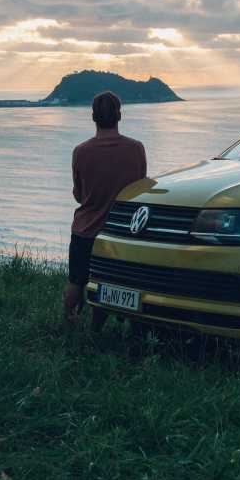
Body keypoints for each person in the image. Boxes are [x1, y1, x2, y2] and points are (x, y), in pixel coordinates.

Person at [64, 90, 147, 325]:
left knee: (76, 281)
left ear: (93, 117)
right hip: (120, 232)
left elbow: (79, 196)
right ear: (119, 116)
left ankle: (69, 325)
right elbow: (139, 191)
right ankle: (97, 330)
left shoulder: (81, 152)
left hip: (85, 231)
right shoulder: (136, 149)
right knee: (110, 281)